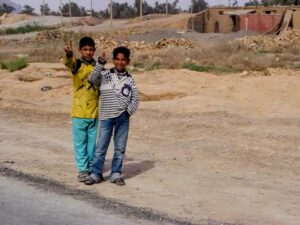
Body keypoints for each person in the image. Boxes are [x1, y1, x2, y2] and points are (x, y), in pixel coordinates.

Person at [84, 46, 139, 186]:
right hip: (106, 117)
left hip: (123, 118)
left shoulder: (130, 80)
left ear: (127, 61)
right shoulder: (105, 75)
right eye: (117, 59)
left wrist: (127, 113)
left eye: (123, 60)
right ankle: (96, 173)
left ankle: (116, 173)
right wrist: (100, 63)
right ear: (114, 60)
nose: (120, 62)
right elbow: (91, 79)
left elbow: (135, 99)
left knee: (120, 148)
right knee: (101, 147)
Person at [63, 37, 100, 182]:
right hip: (79, 113)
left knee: (92, 144)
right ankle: (82, 169)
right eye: (85, 49)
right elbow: (68, 63)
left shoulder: (98, 66)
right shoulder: (77, 65)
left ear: (94, 50)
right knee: (80, 143)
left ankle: (91, 167)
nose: (88, 52)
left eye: (91, 49)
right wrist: (68, 55)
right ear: (80, 51)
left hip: (94, 113)